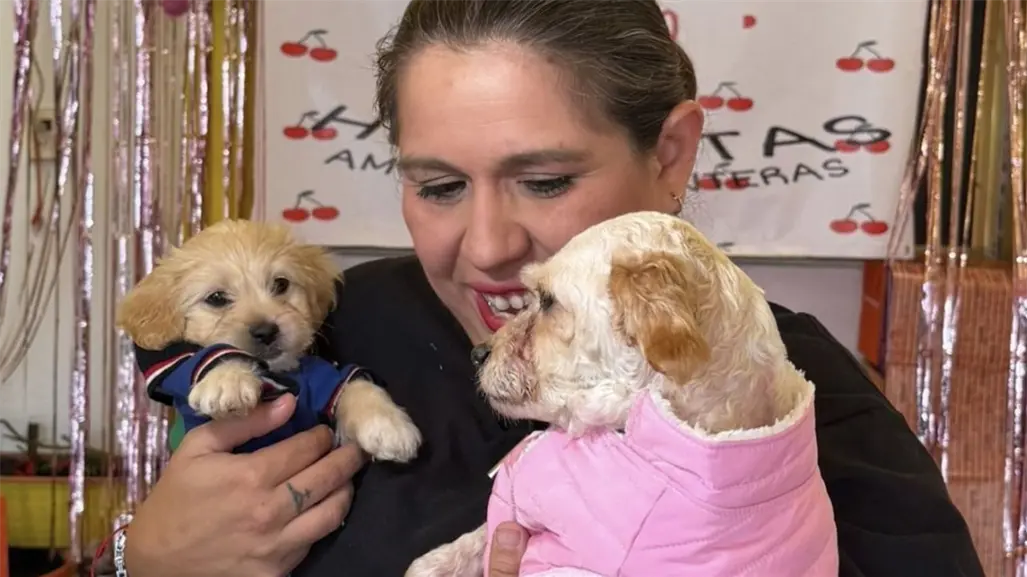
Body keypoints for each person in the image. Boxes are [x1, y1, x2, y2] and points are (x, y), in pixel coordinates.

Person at [107, 0, 985, 576]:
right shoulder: (329, 327)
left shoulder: (774, 401)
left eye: (547, 180)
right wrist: (147, 561)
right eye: (440, 187)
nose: (489, 247)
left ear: (669, 154)